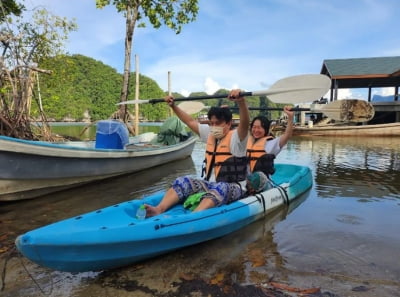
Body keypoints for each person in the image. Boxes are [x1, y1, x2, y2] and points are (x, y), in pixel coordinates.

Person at [145, 90, 250, 217]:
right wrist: (173, 106)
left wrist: (241, 102)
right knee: (182, 180)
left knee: (221, 187)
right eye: (211, 123)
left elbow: (245, 124)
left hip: (234, 187)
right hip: (210, 185)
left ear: (228, 123)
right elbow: (189, 121)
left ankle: (193, 217)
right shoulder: (210, 134)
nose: (214, 126)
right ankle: (159, 209)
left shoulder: (238, 139)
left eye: (218, 123)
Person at [247, 106, 294, 177]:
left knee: (257, 177)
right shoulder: (246, 142)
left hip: (263, 182)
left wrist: (290, 117)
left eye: (259, 128)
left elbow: (287, 135)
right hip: (246, 181)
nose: (256, 130)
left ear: (265, 129)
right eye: (254, 127)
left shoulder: (270, 144)